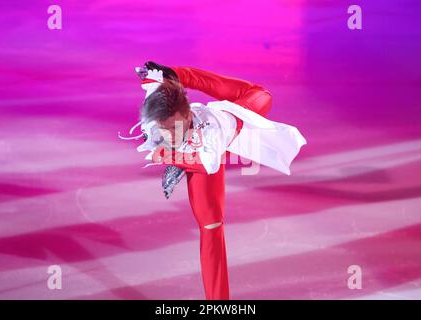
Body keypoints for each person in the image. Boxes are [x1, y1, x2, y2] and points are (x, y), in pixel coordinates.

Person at [119, 61, 307, 300]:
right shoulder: (153, 111)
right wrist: (163, 76)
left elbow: (208, 163)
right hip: (194, 152)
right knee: (210, 225)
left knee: (261, 95)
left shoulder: (214, 130)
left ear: (187, 116)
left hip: (223, 135)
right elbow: (151, 81)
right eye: (163, 130)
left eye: (174, 129)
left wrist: (165, 155)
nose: (168, 135)